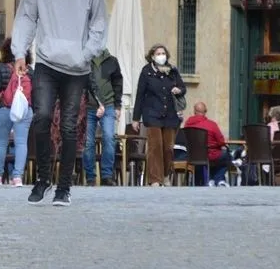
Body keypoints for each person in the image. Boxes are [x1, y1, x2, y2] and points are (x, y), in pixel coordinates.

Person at [10, 0, 107, 206]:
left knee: (68, 127)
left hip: (77, 69)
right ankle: (42, 179)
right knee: (40, 118)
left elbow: (99, 23)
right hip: (47, 64)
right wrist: (20, 52)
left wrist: (87, 53)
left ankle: (64, 187)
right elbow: (27, 16)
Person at [131, 44, 186, 187]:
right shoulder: (146, 71)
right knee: (155, 147)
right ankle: (155, 179)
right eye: (158, 53)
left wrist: (178, 89)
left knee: (168, 148)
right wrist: (136, 118)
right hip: (152, 114)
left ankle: (166, 174)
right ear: (152, 56)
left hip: (170, 115)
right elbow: (140, 95)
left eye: (163, 53)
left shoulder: (172, 71)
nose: (161, 55)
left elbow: (183, 88)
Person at [0, 38, 34, 187]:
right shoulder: (30, 70)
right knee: (21, 142)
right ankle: (17, 177)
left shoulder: (2, 68)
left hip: (5, 108)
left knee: (1, 142)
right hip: (24, 110)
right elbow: (36, 91)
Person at [83, 49, 123, 186]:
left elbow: (118, 83)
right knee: (88, 142)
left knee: (109, 138)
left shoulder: (112, 60)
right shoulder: (84, 59)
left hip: (109, 105)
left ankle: (107, 175)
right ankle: (90, 176)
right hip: (88, 107)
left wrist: (118, 106)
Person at [182, 102, 231, 186]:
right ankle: (218, 179)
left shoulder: (187, 125)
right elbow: (221, 141)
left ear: (194, 112)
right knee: (227, 155)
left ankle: (212, 179)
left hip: (193, 156)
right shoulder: (211, 125)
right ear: (205, 111)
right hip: (210, 155)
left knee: (217, 157)